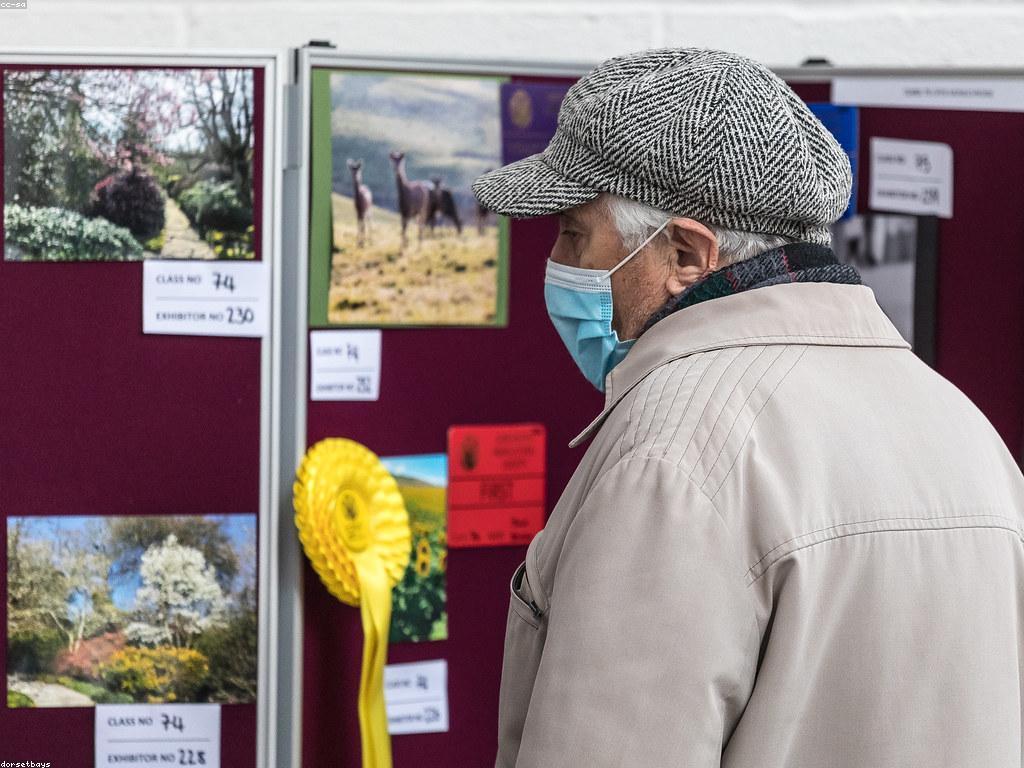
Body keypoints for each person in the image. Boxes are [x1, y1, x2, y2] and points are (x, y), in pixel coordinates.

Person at [471, 47, 1024, 768]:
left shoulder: (672, 454)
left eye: (575, 232)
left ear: (686, 255)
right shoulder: (965, 428)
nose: (559, 260)